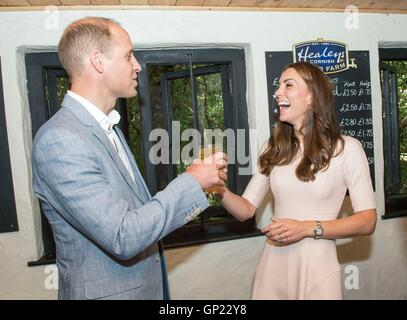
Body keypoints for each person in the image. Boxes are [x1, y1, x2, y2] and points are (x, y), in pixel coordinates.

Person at [31, 17, 227, 300]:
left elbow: (135, 214)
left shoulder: (109, 128)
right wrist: (192, 181)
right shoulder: (60, 140)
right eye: (128, 56)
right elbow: (123, 235)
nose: (137, 65)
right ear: (98, 62)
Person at [220, 62, 376, 299]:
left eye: (288, 85)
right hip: (273, 265)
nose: (277, 92)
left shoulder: (347, 149)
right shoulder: (273, 148)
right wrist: (218, 189)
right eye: (278, 86)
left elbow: (367, 221)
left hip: (317, 267)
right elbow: (245, 210)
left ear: (312, 97)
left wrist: (305, 228)